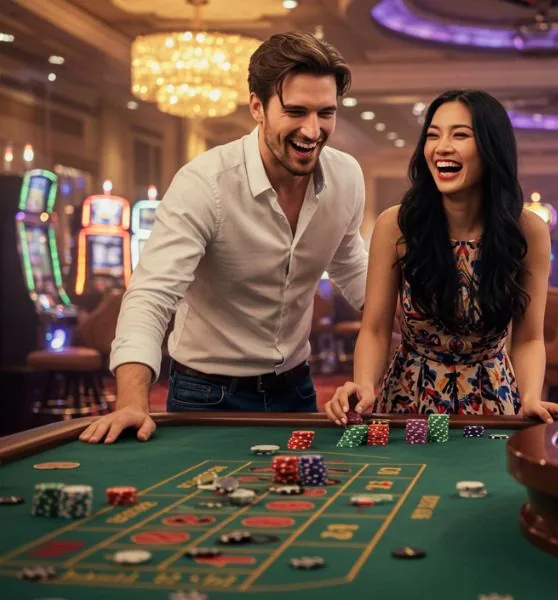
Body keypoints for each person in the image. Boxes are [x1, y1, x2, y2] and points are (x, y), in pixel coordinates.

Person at [80, 31, 368, 444]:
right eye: (296, 111)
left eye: (326, 113)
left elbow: (352, 265)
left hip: (298, 389)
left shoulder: (347, 176)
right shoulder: (204, 183)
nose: (313, 129)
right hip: (207, 393)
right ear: (257, 107)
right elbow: (151, 296)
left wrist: (428, 325)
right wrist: (131, 401)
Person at [324, 89, 558, 424]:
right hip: (410, 395)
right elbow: (376, 329)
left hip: (493, 397)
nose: (441, 147)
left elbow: (529, 338)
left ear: (491, 146)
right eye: (433, 135)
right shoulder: (396, 225)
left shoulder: (528, 230)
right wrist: (365, 384)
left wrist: (530, 398)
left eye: (460, 135)